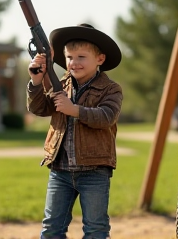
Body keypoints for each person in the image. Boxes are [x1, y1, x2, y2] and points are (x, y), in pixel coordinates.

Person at [27, 23, 123, 239]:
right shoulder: (60, 84)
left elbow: (107, 117)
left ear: (100, 59)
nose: (74, 62)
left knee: (95, 228)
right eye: (70, 57)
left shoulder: (111, 89)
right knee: (51, 228)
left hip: (95, 170)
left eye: (81, 56)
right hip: (60, 169)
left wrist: (75, 110)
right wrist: (36, 81)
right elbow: (39, 108)